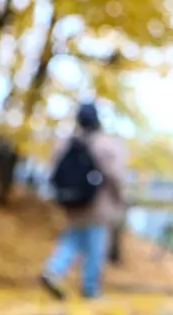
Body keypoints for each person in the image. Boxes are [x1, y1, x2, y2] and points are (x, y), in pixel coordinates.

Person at [40, 102, 129, 300]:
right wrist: (121, 197)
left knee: (72, 240)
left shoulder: (68, 143)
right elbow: (115, 175)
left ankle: (53, 270)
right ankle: (91, 289)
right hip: (98, 204)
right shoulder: (105, 144)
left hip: (73, 203)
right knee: (96, 247)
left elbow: (54, 169)